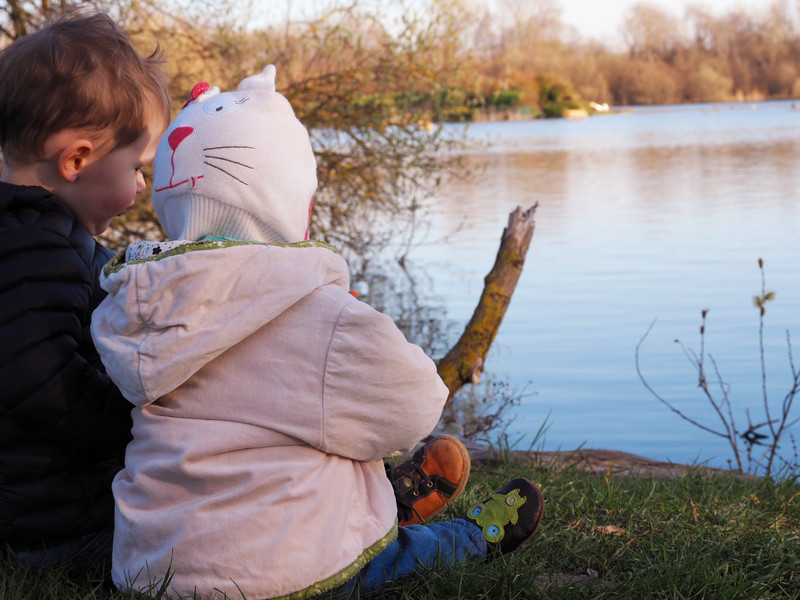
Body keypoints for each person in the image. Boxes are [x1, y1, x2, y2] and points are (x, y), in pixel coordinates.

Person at [90, 65, 544, 599]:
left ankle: (388, 501)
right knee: (391, 547)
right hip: (276, 575)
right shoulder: (316, 312)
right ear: (290, 201)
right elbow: (416, 406)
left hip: (152, 574)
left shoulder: (138, 305)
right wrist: (362, 325)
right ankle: (471, 536)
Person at [0, 9, 172, 578]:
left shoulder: (34, 235)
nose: (142, 186)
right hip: (57, 528)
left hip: (47, 507)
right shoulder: (33, 248)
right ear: (77, 159)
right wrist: (139, 416)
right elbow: (40, 382)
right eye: (136, 167)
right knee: (207, 538)